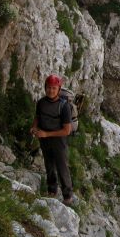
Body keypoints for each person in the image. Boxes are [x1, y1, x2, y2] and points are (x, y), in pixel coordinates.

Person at [30, 74, 75, 205]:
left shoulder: (64, 106)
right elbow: (38, 116)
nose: (51, 90)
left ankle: (68, 196)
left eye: (54, 88)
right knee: (49, 165)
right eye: (49, 87)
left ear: (59, 89)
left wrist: (46, 134)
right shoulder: (41, 103)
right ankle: (51, 190)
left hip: (58, 140)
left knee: (62, 167)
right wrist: (34, 127)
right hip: (44, 138)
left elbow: (67, 130)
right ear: (45, 87)